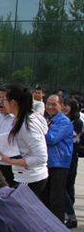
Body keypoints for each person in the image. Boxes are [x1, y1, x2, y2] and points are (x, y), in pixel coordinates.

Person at [0, 83, 48, 203]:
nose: (1, 103)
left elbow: (41, 157)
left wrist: (10, 161)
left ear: (13, 102)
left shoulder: (26, 124)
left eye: (4, 99)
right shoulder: (23, 118)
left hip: (30, 178)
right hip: (26, 176)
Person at [44, 94, 73, 222]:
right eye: (48, 104)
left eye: (54, 104)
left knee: (56, 199)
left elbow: (51, 139)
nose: (50, 107)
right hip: (47, 163)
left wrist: (40, 129)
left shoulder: (64, 121)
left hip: (59, 164)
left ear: (61, 105)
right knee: (45, 198)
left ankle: (58, 226)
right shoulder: (48, 119)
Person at [63, 98, 83, 228]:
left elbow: (70, 135)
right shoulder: (62, 120)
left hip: (71, 157)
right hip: (64, 156)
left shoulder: (78, 122)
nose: (64, 107)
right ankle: (68, 214)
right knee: (65, 186)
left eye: (67, 105)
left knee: (67, 186)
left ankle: (70, 214)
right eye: (63, 105)